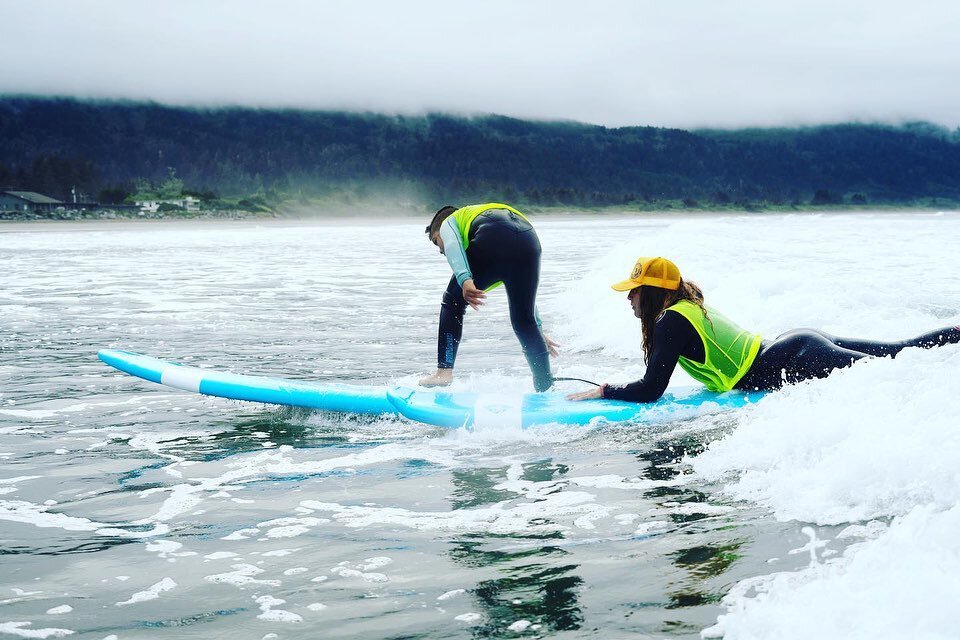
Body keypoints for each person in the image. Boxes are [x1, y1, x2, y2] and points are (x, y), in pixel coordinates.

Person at [568, 256, 960, 403]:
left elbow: (652, 390)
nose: (628, 299)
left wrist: (606, 391)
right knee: (901, 352)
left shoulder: (671, 322)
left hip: (793, 357)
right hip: (794, 346)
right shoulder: (685, 306)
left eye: (633, 291)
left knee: (899, 371)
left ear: (651, 293)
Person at [419, 203, 558, 392]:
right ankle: (545, 386)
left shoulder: (449, 221)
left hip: (494, 236)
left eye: (436, 242)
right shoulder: (484, 217)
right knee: (525, 322)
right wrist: (537, 329)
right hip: (529, 239)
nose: (441, 251)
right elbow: (526, 296)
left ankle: (443, 373)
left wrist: (465, 279)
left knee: (452, 301)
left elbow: (451, 244)